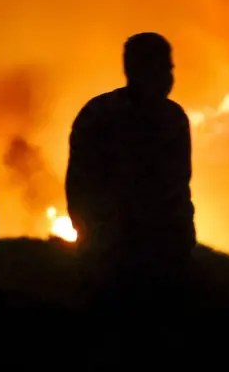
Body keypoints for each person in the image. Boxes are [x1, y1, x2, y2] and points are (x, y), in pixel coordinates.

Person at [64, 32, 196, 304]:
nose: (168, 76)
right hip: (112, 260)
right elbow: (80, 188)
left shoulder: (173, 120)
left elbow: (179, 188)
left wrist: (181, 241)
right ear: (135, 68)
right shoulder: (100, 116)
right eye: (162, 67)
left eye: (169, 68)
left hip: (163, 258)